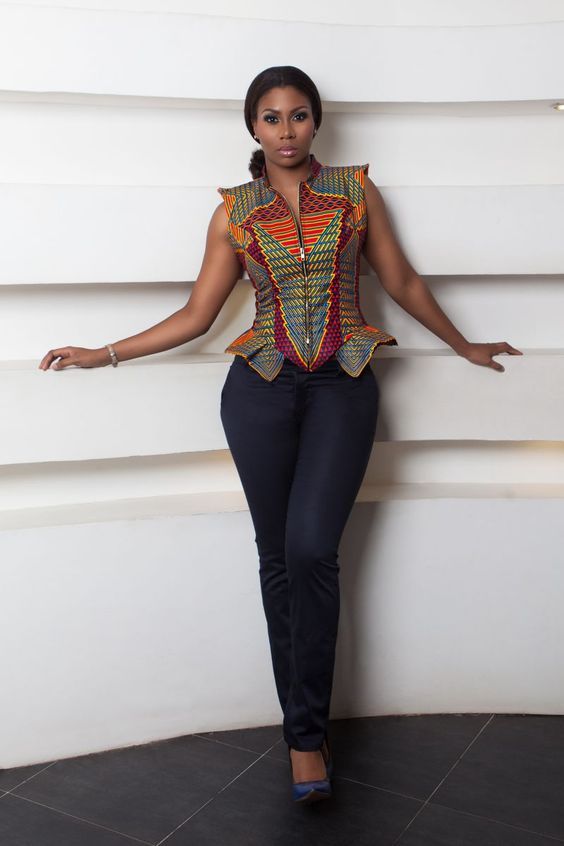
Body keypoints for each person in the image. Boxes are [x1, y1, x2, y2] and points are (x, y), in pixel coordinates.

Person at [38, 65, 522, 805]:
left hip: (342, 386)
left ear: (315, 121)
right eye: (271, 117)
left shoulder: (356, 193)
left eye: (298, 115)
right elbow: (197, 315)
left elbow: (401, 282)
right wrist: (102, 352)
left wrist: (465, 346)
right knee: (277, 559)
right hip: (258, 393)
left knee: (311, 551)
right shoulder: (232, 212)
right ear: (253, 127)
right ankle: (304, 738)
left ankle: (306, 729)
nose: (286, 130)